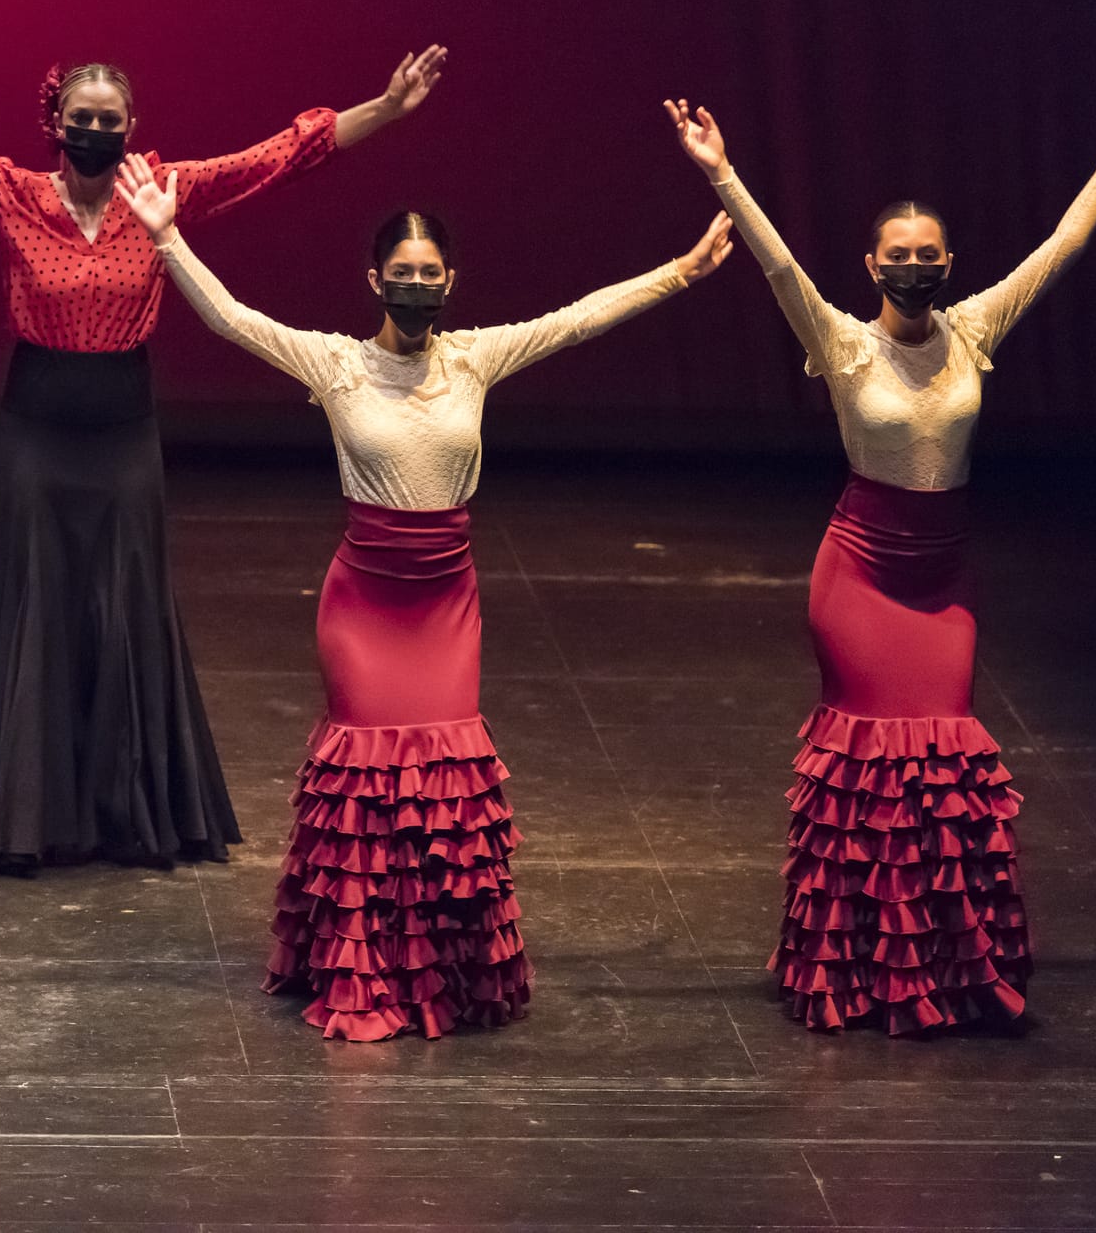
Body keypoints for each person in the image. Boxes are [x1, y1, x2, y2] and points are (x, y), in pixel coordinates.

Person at [0, 44, 450, 873]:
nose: (95, 130)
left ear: (131, 128)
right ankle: (23, 814)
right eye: (82, 118)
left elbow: (277, 157)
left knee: (126, 598)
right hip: (38, 422)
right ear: (55, 124)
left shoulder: (159, 191)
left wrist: (385, 108)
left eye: (110, 119)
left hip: (123, 424)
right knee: (35, 597)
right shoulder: (13, 195)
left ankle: (130, 815)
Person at [117, 151, 733, 1038]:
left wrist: (679, 273)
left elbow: (578, 320)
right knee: (368, 782)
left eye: (429, 273)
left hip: (447, 601)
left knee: (443, 782)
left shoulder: (475, 358)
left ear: (451, 280)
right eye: (401, 273)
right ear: (375, 281)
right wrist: (167, 238)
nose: (416, 285)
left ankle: (442, 971)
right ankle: (360, 967)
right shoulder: (335, 363)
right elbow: (233, 319)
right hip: (365, 600)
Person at [668, 70, 1096, 1034]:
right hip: (860, 572)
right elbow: (777, 265)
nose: (914, 266)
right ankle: (852, 963)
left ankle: (941, 967)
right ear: (871, 264)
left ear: (949, 262)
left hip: (943, 578)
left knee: (942, 764)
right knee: (869, 766)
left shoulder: (975, 327)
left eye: (928, 254)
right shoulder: (842, 343)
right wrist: (721, 172)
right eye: (898, 255)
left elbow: (1064, 246)